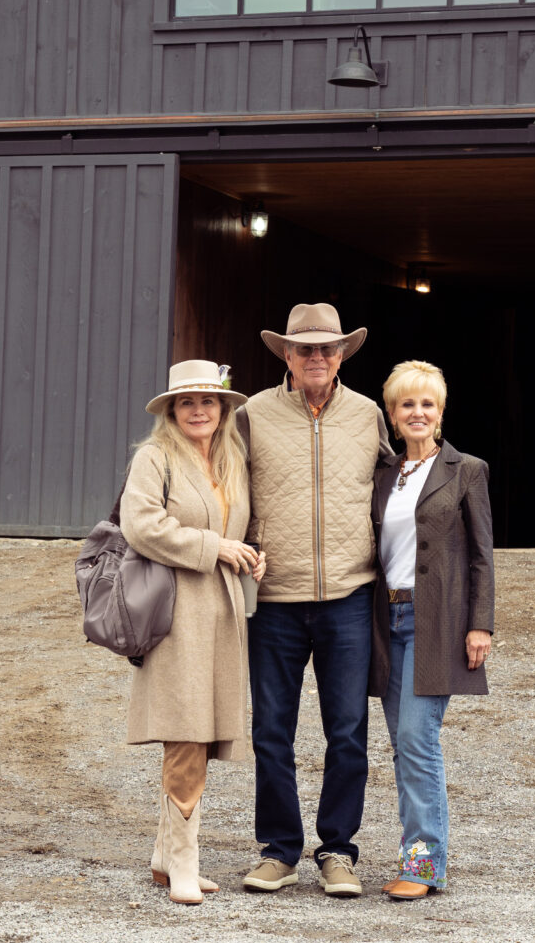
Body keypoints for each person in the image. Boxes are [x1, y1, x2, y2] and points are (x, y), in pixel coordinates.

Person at [234, 303, 391, 897]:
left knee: (347, 730)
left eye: (328, 349)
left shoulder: (367, 414)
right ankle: (279, 850)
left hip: (349, 595)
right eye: (306, 349)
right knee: (272, 731)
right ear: (288, 357)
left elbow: (395, 486)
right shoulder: (252, 414)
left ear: (342, 354)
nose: (317, 358)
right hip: (273, 598)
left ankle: (338, 851)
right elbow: (225, 484)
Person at [119, 360, 265, 904]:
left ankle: (165, 854)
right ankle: (183, 860)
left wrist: (248, 555)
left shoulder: (230, 460)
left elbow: (238, 528)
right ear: (173, 411)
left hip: (222, 613)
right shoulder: (154, 457)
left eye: (208, 401)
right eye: (187, 403)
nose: (199, 410)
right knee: (185, 731)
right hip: (177, 613)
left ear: (223, 408)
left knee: (201, 733)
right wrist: (214, 548)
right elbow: (142, 526)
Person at [369, 360, 494, 900]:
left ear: (440, 412)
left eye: (427, 404)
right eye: (406, 404)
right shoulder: (383, 474)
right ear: (393, 416)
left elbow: (483, 558)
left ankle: (423, 867)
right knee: (402, 745)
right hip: (386, 619)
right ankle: (416, 856)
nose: (417, 413)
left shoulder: (466, 470)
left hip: (436, 623)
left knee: (419, 741)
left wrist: (480, 625)